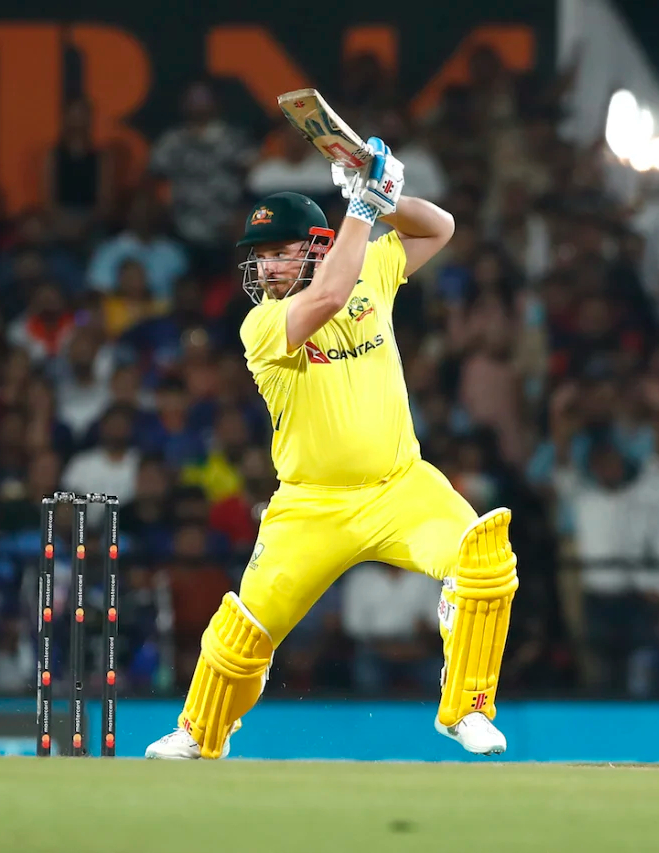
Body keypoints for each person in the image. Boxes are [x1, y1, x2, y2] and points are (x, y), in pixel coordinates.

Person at [145, 142, 518, 760]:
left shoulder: (369, 264)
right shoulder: (261, 324)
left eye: (279, 252)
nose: (265, 268)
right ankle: (198, 734)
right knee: (245, 632)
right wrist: (362, 206)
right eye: (259, 257)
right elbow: (329, 298)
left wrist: (385, 199)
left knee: (484, 559)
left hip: (401, 486)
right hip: (310, 504)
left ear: (317, 244)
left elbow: (441, 229)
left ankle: (467, 710)